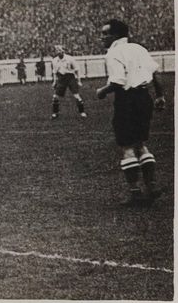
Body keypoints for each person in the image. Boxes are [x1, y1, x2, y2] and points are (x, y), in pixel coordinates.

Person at [96, 19, 166, 206]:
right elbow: (156, 73)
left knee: (126, 146)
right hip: (144, 98)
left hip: (126, 99)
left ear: (116, 35)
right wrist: (160, 96)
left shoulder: (113, 53)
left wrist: (102, 91)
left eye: (105, 34)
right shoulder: (139, 49)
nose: (102, 38)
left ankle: (134, 192)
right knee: (140, 143)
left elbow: (118, 81)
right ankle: (151, 186)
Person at [51, 45, 86, 119]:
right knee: (55, 97)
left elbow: (77, 69)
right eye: (57, 50)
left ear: (63, 51)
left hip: (70, 77)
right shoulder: (54, 60)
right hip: (61, 78)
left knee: (76, 96)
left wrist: (79, 81)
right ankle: (55, 113)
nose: (58, 52)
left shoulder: (70, 58)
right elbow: (54, 72)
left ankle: (82, 112)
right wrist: (54, 81)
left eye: (60, 50)